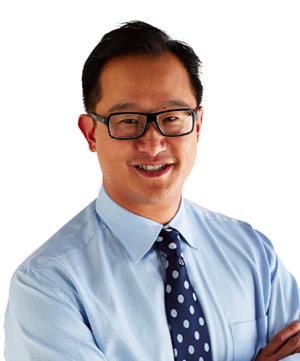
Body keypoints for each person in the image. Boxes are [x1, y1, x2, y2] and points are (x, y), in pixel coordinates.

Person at [4, 21, 300, 361]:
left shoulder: (253, 254)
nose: (153, 142)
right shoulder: (47, 285)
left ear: (197, 125)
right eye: (128, 120)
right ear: (91, 134)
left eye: (172, 117)